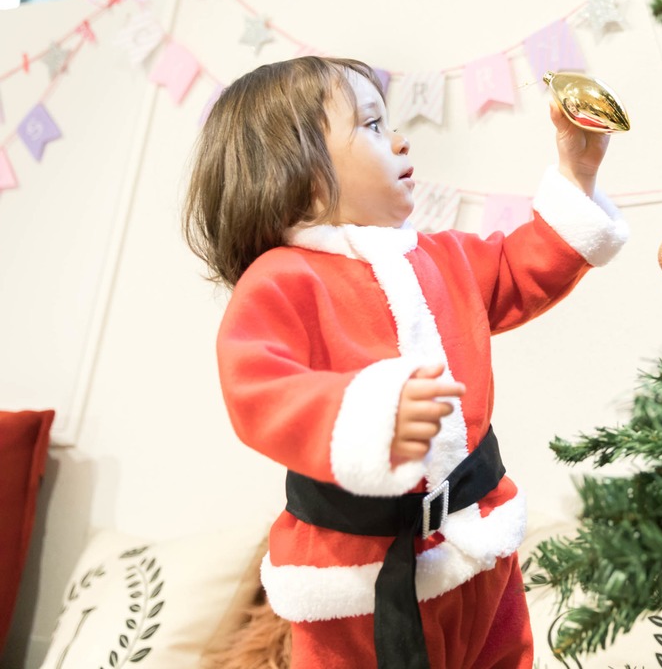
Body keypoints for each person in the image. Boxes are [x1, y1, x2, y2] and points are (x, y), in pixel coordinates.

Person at [182, 56, 628, 669]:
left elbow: (522, 266)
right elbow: (258, 386)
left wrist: (576, 175)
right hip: (357, 580)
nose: (398, 138)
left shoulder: (438, 258)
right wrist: (369, 415)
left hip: (477, 543)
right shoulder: (283, 280)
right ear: (303, 174)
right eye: (369, 126)